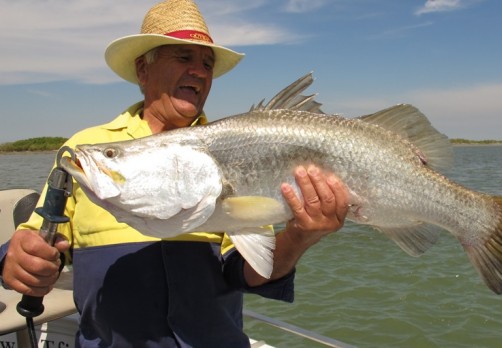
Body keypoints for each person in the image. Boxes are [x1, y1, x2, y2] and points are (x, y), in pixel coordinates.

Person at [0, 0, 349, 346]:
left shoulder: (234, 156)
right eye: (183, 57)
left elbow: (249, 272)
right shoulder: (84, 150)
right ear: (143, 69)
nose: (199, 71)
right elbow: (37, 242)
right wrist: (19, 260)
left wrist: (300, 236)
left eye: (207, 63)